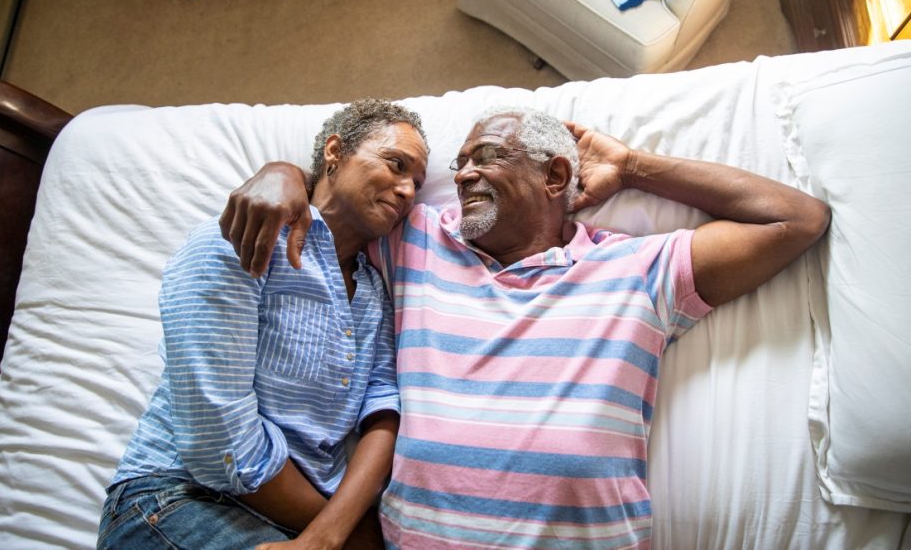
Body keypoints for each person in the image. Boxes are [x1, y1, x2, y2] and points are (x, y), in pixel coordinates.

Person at [220, 106, 831, 549]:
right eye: (458, 165)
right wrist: (283, 173)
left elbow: (797, 220)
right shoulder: (419, 241)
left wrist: (636, 167)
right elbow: (350, 190)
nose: (459, 177)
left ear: (555, 179)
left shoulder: (636, 265)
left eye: (485, 157)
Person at [97, 98, 430, 550]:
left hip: (302, 523)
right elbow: (219, 439)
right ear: (335, 152)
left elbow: (383, 413)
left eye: (417, 182)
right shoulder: (239, 242)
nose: (408, 190)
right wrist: (343, 533)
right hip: (177, 498)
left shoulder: (375, 294)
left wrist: (332, 531)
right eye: (396, 165)